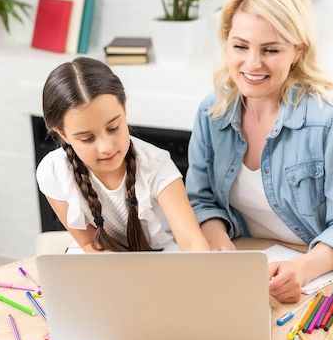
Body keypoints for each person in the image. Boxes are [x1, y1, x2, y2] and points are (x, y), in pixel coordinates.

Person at [185, 0, 333, 303]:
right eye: (240, 46)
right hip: (252, 277)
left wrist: (301, 269)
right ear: (226, 42)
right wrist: (217, 240)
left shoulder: (330, 124)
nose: (252, 63)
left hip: (326, 280)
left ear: (297, 51)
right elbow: (201, 199)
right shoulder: (212, 112)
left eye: (271, 49)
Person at [36, 57, 209, 253]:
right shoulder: (53, 172)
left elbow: (193, 243)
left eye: (113, 128)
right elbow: (89, 243)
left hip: (162, 258)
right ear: (63, 134)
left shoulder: (157, 166)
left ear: (124, 109)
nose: (106, 147)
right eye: (87, 139)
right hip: (102, 260)